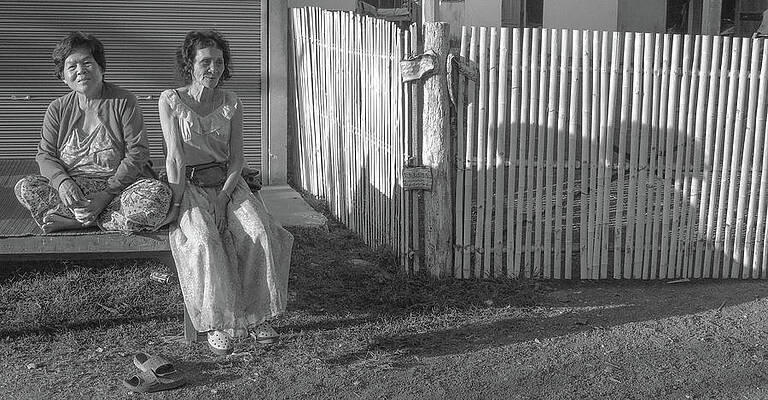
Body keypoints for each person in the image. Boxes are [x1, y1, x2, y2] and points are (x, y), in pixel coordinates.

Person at [156, 30, 293, 355]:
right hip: (188, 186)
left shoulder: (231, 102)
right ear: (190, 64)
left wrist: (223, 198)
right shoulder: (171, 101)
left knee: (259, 232)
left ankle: (258, 316)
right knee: (203, 240)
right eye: (205, 61)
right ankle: (218, 322)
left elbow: (237, 160)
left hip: (229, 184)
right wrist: (176, 204)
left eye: (219, 62)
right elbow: (174, 158)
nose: (213, 69)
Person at [14, 31, 170, 233]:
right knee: (25, 187)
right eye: (72, 66)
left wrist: (106, 195)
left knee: (157, 195)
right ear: (63, 77)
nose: (80, 71)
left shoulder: (124, 102)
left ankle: (77, 222)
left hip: (118, 190)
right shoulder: (57, 109)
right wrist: (63, 183)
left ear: (101, 68)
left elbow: (137, 153)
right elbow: (45, 155)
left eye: (87, 63)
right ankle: (104, 220)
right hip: (75, 190)